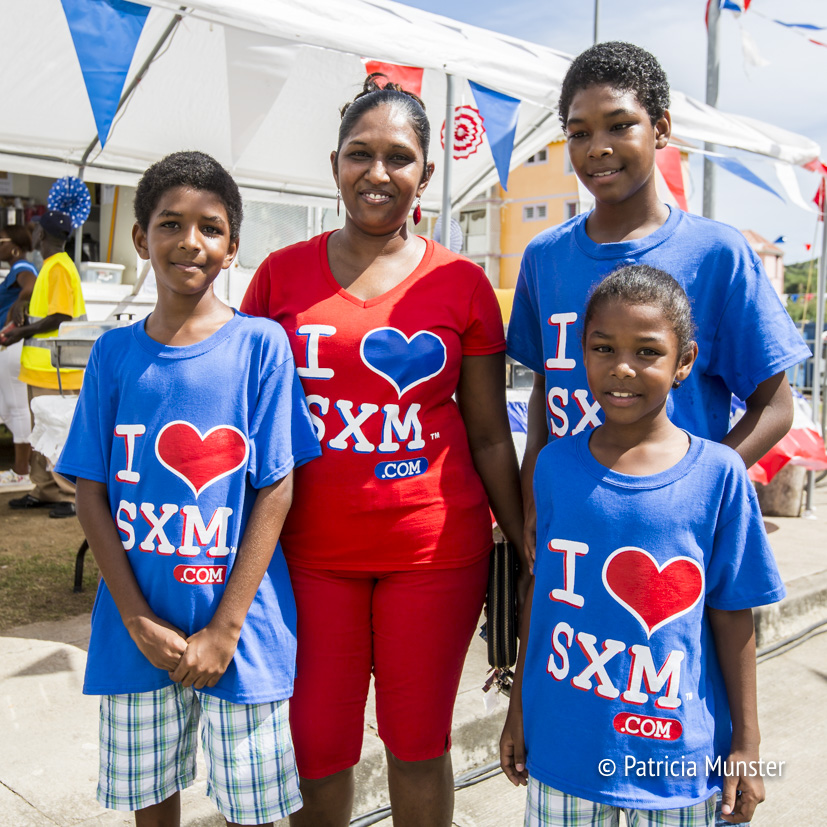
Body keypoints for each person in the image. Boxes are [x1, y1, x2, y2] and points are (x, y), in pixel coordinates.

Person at [241, 75, 525, 827]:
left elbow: (488, 432)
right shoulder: (277, 276)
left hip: (434, 552)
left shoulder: (463, 283)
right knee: (316, 748)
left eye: (398, 156)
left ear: (425, 174)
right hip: (308, 554)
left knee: (417, 744)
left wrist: (525, 537)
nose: (377, 171)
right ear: (334, 164)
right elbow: (248, 420)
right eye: (359, 153)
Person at [54, 151, 321, 827]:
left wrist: (225, 629)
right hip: (137, 635)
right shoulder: (114, 354)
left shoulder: (262, 346)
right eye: (170, 223)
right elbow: (90, 491)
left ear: (233, 246)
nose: (189, 241)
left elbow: (276, 488)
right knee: (151, 806)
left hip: (243, 634)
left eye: (210, 227)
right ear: (140, 237)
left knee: (253, 810)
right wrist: (137, 620)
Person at [506, 42, 811, 573]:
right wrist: (533, 486)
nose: (598, 147)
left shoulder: (717, 254)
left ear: (661, 128)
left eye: (620, 125)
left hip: (675, 538)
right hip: (571, 526)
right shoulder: (544, 257)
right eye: (579, 133)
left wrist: (699, 487)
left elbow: (775, 407)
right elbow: (543, 389)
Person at [501, 265, 785, 826]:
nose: (622, 367)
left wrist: (747, 746)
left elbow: (733, 614)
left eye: (648, 351)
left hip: (678, 761)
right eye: (603, 348)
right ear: (581, 354)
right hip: (564, 748)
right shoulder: (554, 467)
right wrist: (519, 710)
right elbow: (542, 595)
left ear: (684, 362)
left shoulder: (720, 475)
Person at [5, 208, 88, 517]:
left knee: (57, 432)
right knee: (42, 431)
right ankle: (44, 489)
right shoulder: (52, 266)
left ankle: (67, 494)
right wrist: (23, 310)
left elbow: (60, 316)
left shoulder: (59, 267)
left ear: (41, 234)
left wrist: (20, 333)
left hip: (56, 369)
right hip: (44, 369)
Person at [0, 225, 36, 490]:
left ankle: (22, 471)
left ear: (15, 247)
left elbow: (31, 285)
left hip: (13, 344)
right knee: (7, 408)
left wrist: (16, 308)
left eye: (1, 242)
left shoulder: (22, 267)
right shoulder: (16, 269)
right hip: (9, 346)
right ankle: (28, 466)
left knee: (17, 407)